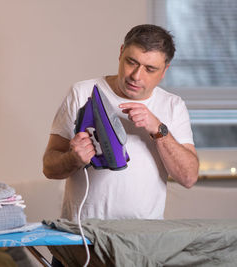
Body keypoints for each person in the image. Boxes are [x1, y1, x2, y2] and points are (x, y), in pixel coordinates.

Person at [43, 24, 199, 222]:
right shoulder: (81, 92)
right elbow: (49, 167)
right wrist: (74, 158)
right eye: (131, 62)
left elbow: (188, 178)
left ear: (164, 70)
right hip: (82, 233)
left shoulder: (173, 105)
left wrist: (159, 130)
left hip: (143, 238)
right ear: (121, 53)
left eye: (150, 69)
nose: (136, 76)